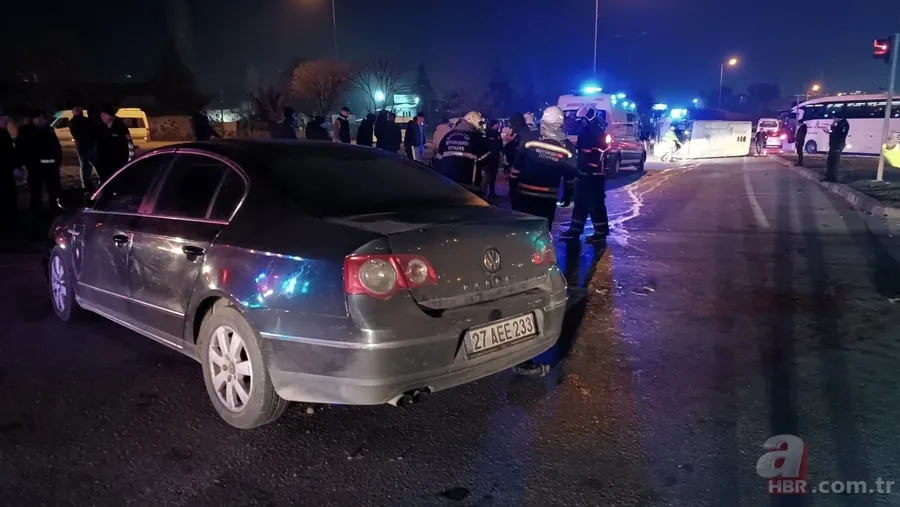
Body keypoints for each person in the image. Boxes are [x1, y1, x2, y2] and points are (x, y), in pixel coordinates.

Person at [508, 106, 576, 230]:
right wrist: (567, 195)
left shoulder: (529, 138)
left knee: (521, 229)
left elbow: (516, 167)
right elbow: (570, 176)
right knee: (543, 232)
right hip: (548, 198)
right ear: (561, 124)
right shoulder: (568, 147)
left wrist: (512, 188)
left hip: (524, 194)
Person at [560, 106, 610, 243]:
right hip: (587, 174)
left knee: (595, 204)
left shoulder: (593, 132)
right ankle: (575, 229)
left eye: (581, 119)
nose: (580, 122)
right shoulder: (593, 131)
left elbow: (594, 154)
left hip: (592, 175)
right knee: (581, 202)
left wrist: (587, 169)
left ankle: (600, 232)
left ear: (587, 118)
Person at [433, 111, 490, 194]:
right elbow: (485, 161)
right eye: (480, 122)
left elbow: (438, 160)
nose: (481, 125)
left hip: (447, 183)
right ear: (471, 120)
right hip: (469, 185)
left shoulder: (447, 136)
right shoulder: (477, 138)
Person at [18, 110, 62, 214]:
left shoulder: (49, 130)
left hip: (51, 166)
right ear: (37, 118)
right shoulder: (26, 131)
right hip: (36, 167)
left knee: (54, 189)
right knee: (36, 191)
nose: (44, 121)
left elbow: (56, 146)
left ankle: (54, 207)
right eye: (42, 118)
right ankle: (36, 211)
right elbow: (22, 149)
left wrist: (58, 160)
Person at [95, 106, 135, 184]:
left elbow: (129, 145)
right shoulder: (101, 129)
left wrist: (129, 160)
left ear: (111, 115)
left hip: (119, 162)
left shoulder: (120, 127)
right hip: (105, 164)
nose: (102, 117)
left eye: (104, 114)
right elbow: (99, 146)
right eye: (101, 115)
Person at [70, 106, 98, 191]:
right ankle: (85, 185)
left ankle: (88, 183)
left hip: (89, 146)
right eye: (77, 110)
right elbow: (76, 135)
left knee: (90, 165)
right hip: (83, 147)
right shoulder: (74, 122)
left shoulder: (85, 120)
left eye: (79, 110)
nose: (78, 111)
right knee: (85, 165)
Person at [0, 114, 17, 219]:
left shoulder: (6, 132)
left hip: (7, 168)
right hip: (3, 168)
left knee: (8, 192)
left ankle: (10, 214)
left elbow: (12, 148)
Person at [824, 113, 849, 182]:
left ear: (838, 118)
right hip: (834, 145)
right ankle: (828, 177)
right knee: (830, 162)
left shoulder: (843, 124)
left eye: (834, 119)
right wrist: (832, 126)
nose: (834, 120)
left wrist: (830, 131)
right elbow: (834, 132)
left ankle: (833, 178)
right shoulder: (840, 124)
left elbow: (838, 134)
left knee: (834, 162)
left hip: (837, 145)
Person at [482, 119, 503, 197]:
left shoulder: (497, 133)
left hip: (495, 156)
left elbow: (500, 144)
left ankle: (492, 192)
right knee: (488, 175)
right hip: (489, 157)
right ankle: (484, 191)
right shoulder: (488, 133)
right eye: (497, 124)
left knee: (493, 175)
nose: (498, 125)